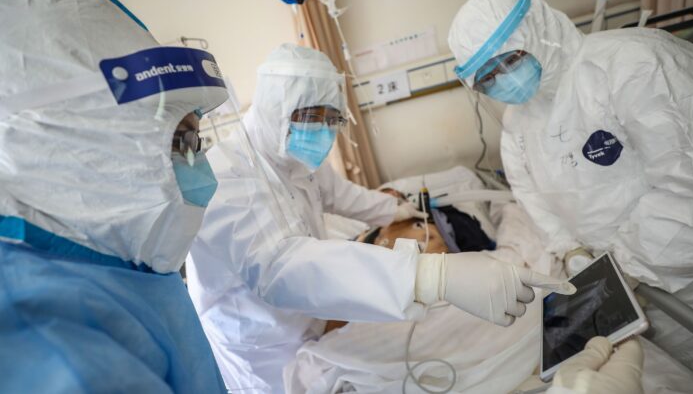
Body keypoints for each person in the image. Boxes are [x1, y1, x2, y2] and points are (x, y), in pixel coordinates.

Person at [186, 43, 571, 392]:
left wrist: (397, 209)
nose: (321, 129)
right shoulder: (227, 178)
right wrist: (432, 276)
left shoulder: (294, 156)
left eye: (331, 118)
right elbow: (283, 268)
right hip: (262, 346)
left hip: (320, 326)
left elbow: (343, 196)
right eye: (312, 116)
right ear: (275, 109)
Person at [448, 0, 693, 371]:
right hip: (628, 292)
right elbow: (532, 198)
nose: (504, 79)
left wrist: (626, 266)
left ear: (537, 29)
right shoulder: (517, 125)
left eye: (510, 59)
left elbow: (688, 190)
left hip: (685, 278)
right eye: (488, 77)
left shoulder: (631, 65)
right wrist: (571, 251)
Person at [0, 0, 229, 392]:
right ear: (64, 146)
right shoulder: (48, 342)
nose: (200, 173)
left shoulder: (119, 267)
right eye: (179, 143)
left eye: (196, 143)